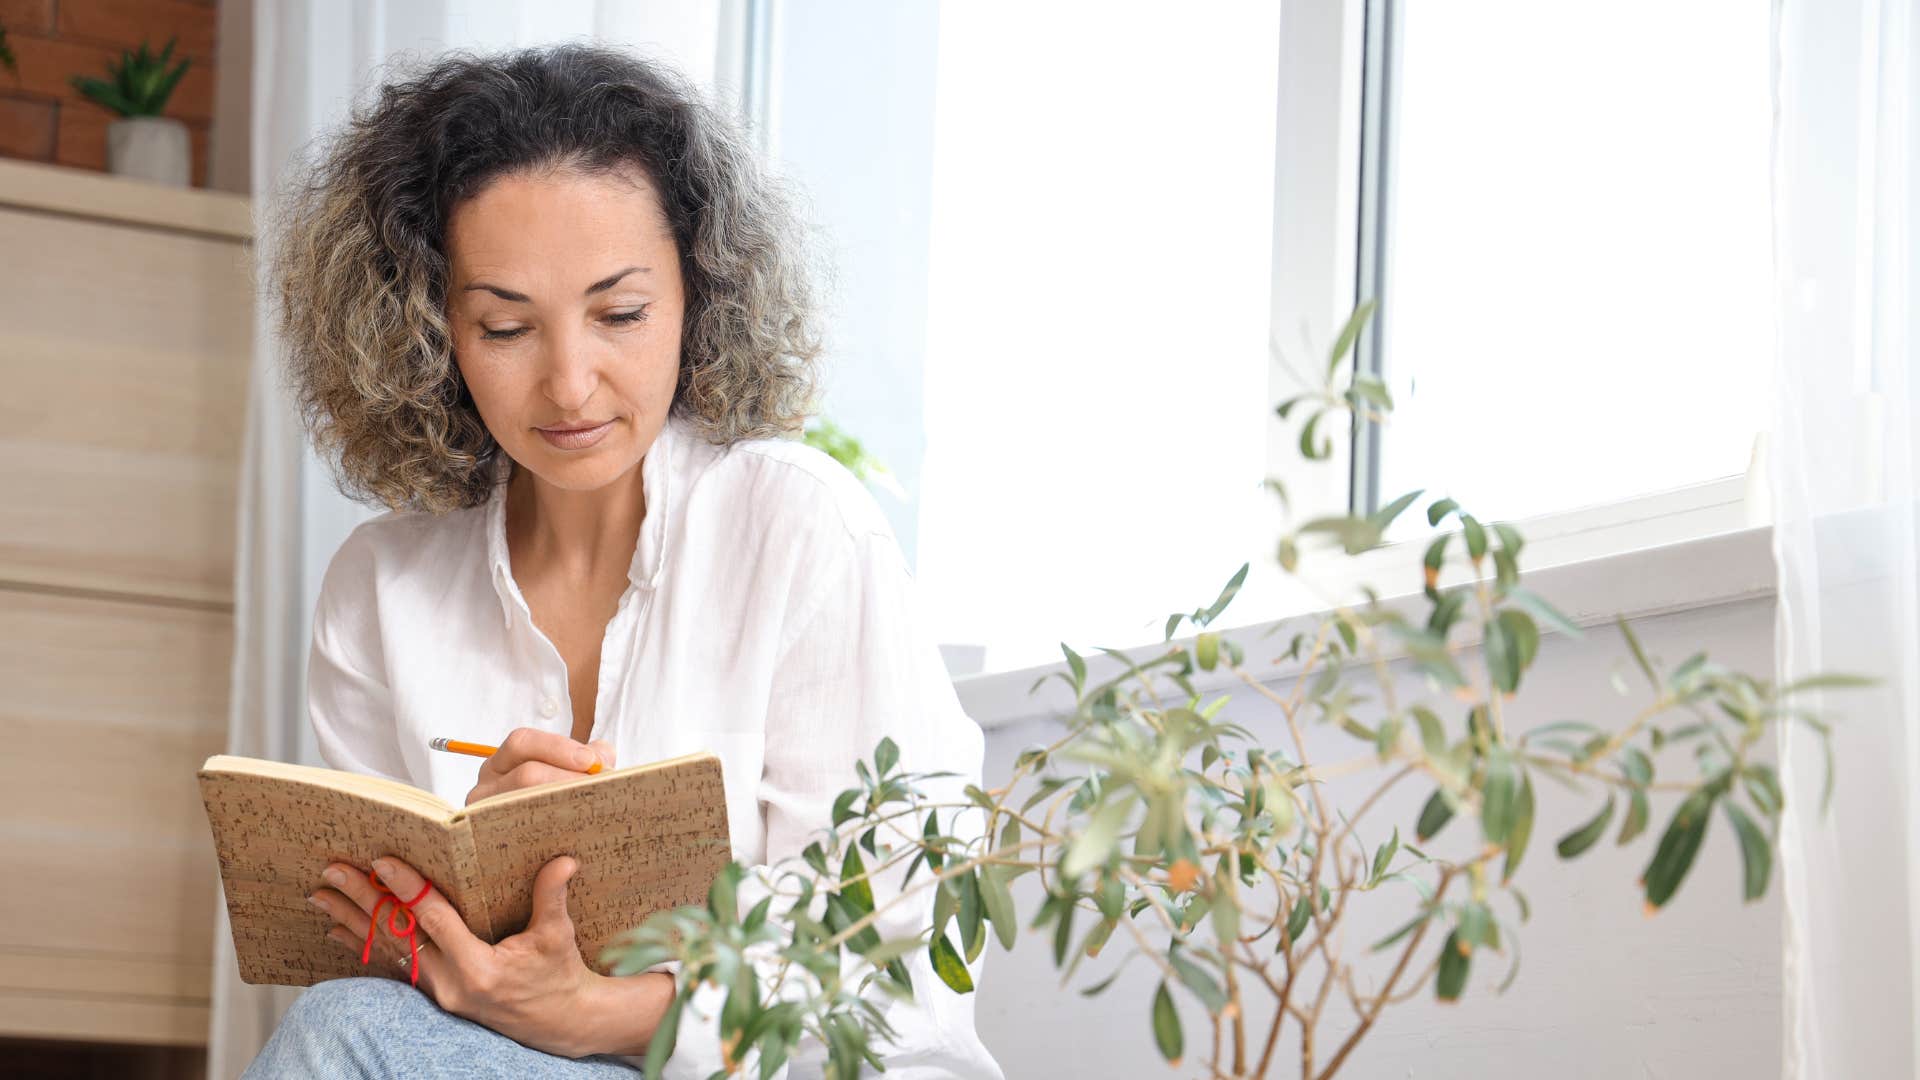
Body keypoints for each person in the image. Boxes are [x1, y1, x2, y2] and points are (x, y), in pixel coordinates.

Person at [242, 42, 1004, 1080]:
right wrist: (476, 892)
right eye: (505, 326)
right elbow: (406, 1005)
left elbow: (900, 971)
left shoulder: (798, 527)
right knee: (346, 1019)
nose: (570, 384)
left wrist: (601, 1011)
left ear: (699, 293)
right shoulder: (381, 592)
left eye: (621, 315)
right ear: (431, 333)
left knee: (339, 1036)